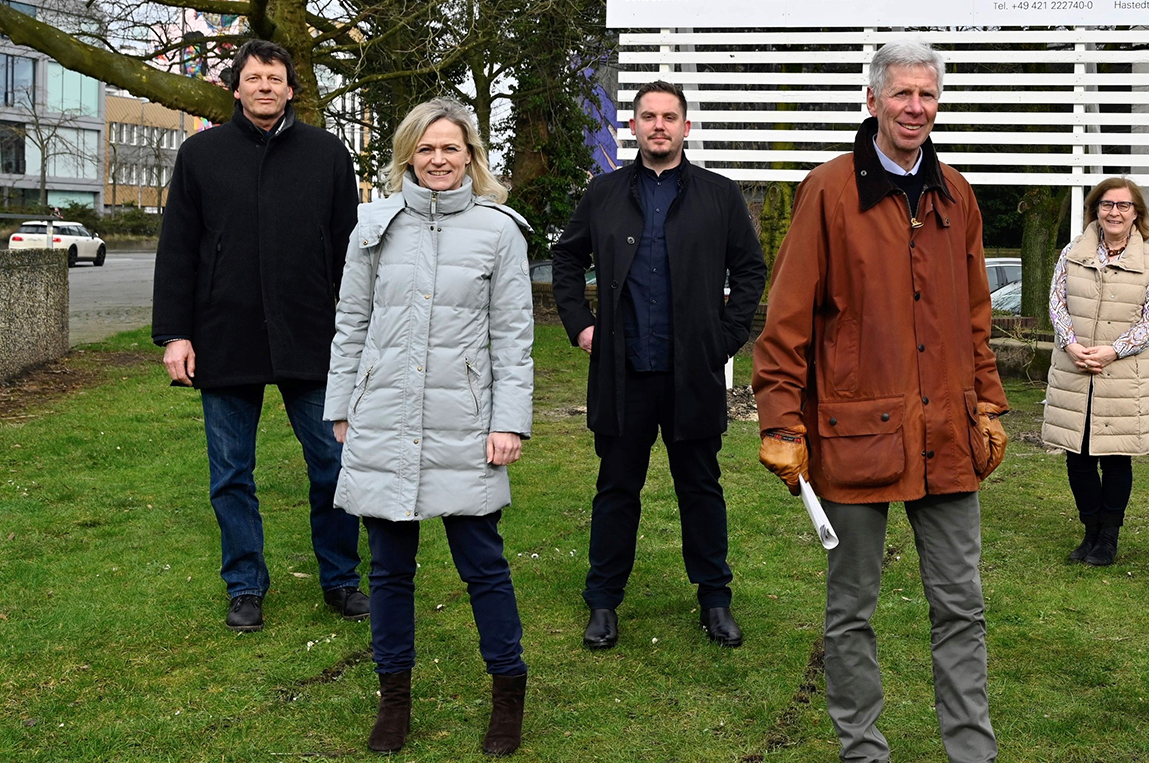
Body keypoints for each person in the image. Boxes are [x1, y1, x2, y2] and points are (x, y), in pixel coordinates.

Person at [755, 40, 1010, 763]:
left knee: (962, 607)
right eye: (901, 94)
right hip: (854, 433)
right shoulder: (830, 189)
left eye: (927, 96)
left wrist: (986, 403)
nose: (915, 108)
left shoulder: (956, 193)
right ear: (872, 101)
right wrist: (779, 418)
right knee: (851, 612)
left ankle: (972, 752)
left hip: (949, 434)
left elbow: (975, 316)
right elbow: (788, 319)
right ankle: (863, 751)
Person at [325, 98, 534, 756]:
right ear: (407, 156)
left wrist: (509, 423)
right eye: (426, 148)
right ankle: (395, 703)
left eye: (451, 148)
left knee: (484, 568)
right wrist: (340, 408)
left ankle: (508, 696)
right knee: (388, 571)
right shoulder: (374, 226)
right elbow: (351, 323)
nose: (439, 159)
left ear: (471, 155)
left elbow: (513, 337)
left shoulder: (500, 231)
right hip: (383, 419)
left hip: (464, 426)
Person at [152, 38, 368, 632]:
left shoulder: (328, 154)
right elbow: (177, 251)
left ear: (291, 88)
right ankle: (244, 586)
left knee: (333, 462)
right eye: (255, 77)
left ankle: (341, 579)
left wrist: (357, 332)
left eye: (276, 78)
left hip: (310, 335)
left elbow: (350, 252)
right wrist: (176, 334)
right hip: (224, 334)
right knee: (230, 473)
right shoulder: (201, 154)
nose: (266, 86)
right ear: (237, 86)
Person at [551, 80, 766, 649]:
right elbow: (567, 259)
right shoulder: (604, 194)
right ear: (634, 127)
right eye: (648, 116)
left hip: (690, 372)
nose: (659, 126)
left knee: (700, 487)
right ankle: (602, 602)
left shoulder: (719, 197)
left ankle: (715, 600)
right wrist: (581, 325)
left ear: (686, 127)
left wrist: (723, 338)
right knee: (616, 488)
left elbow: (750, 271)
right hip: (622, 372)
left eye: (670, 116)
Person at [1040, 177, 1149, 567]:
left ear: (1136, 214)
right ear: (1096, 209)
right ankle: (1090, 531)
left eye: (1123, 206)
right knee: (1076, 459)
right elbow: (1056, 301)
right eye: (1107, 205)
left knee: (1115, 458)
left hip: (1122, 375)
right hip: (1074, 369)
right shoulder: (1071, 254)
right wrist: (1071, 343)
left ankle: (1108, 538)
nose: (1115, 212)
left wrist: (1114, 350)